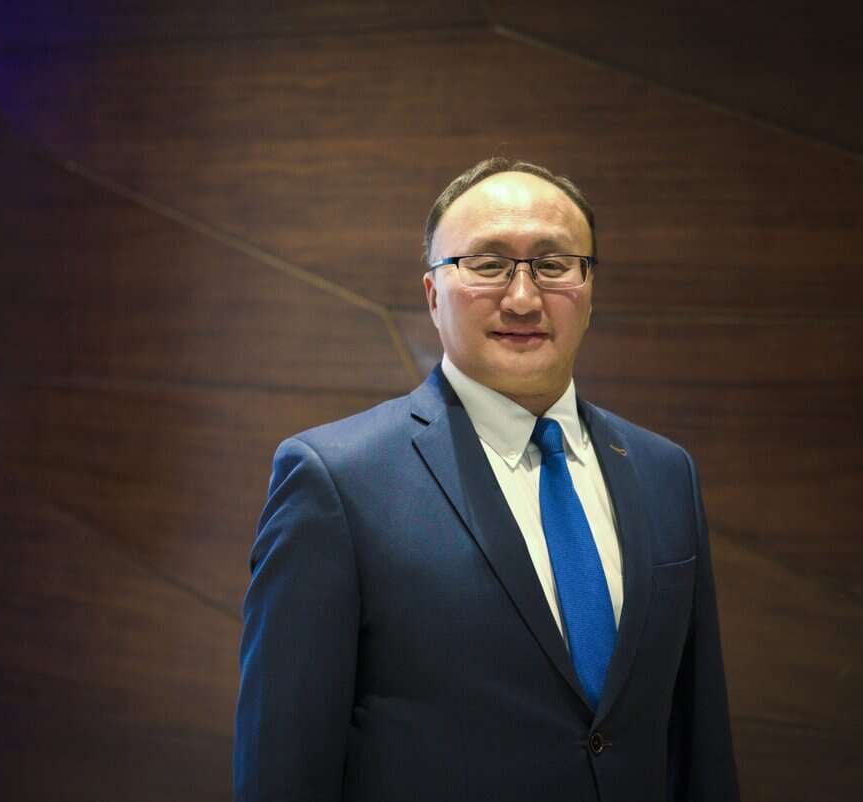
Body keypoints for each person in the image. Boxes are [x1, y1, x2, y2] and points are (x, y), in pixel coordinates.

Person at [234, 158, 739, 802]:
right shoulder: (337, 481)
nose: (523, 297)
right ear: (431, 293)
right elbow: (283, 769)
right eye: (488, 263)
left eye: (553, 264)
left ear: (589, 287)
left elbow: (700, 747)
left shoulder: (666, 473)